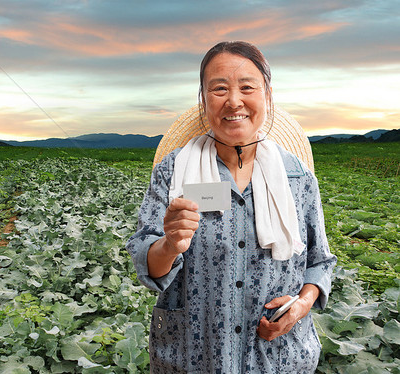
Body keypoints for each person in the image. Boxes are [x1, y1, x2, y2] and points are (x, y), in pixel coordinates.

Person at [126, 41, 336, 373]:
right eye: (219, 89)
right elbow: (146, 259)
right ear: (204, 99)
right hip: (193, 357)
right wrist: (168, 245)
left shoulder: (297, 177)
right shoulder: (173, 171)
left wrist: (301, 305)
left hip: (277, 359)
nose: (234, 101)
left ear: (266, 95)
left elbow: (320, 263)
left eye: (247, 87)